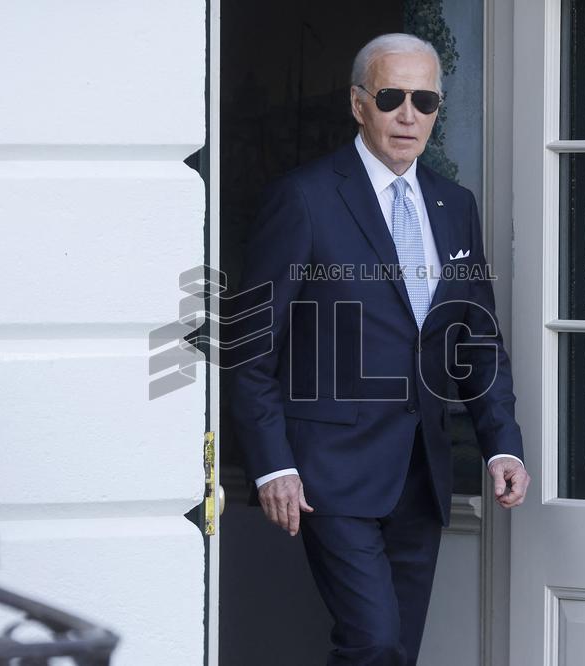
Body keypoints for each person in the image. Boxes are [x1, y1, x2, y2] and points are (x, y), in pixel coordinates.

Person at [223, 32, 531, 666]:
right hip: (328, 472)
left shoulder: (454, 206)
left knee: (398, 648)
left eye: (426, 100)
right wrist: (272, 463)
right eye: (391, 97)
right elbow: (253, 343)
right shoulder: (304, 198)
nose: (409, 115)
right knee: (372, 640)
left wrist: (502, 442)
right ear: (359, 103)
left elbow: (476, 339)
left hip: (422, 474)